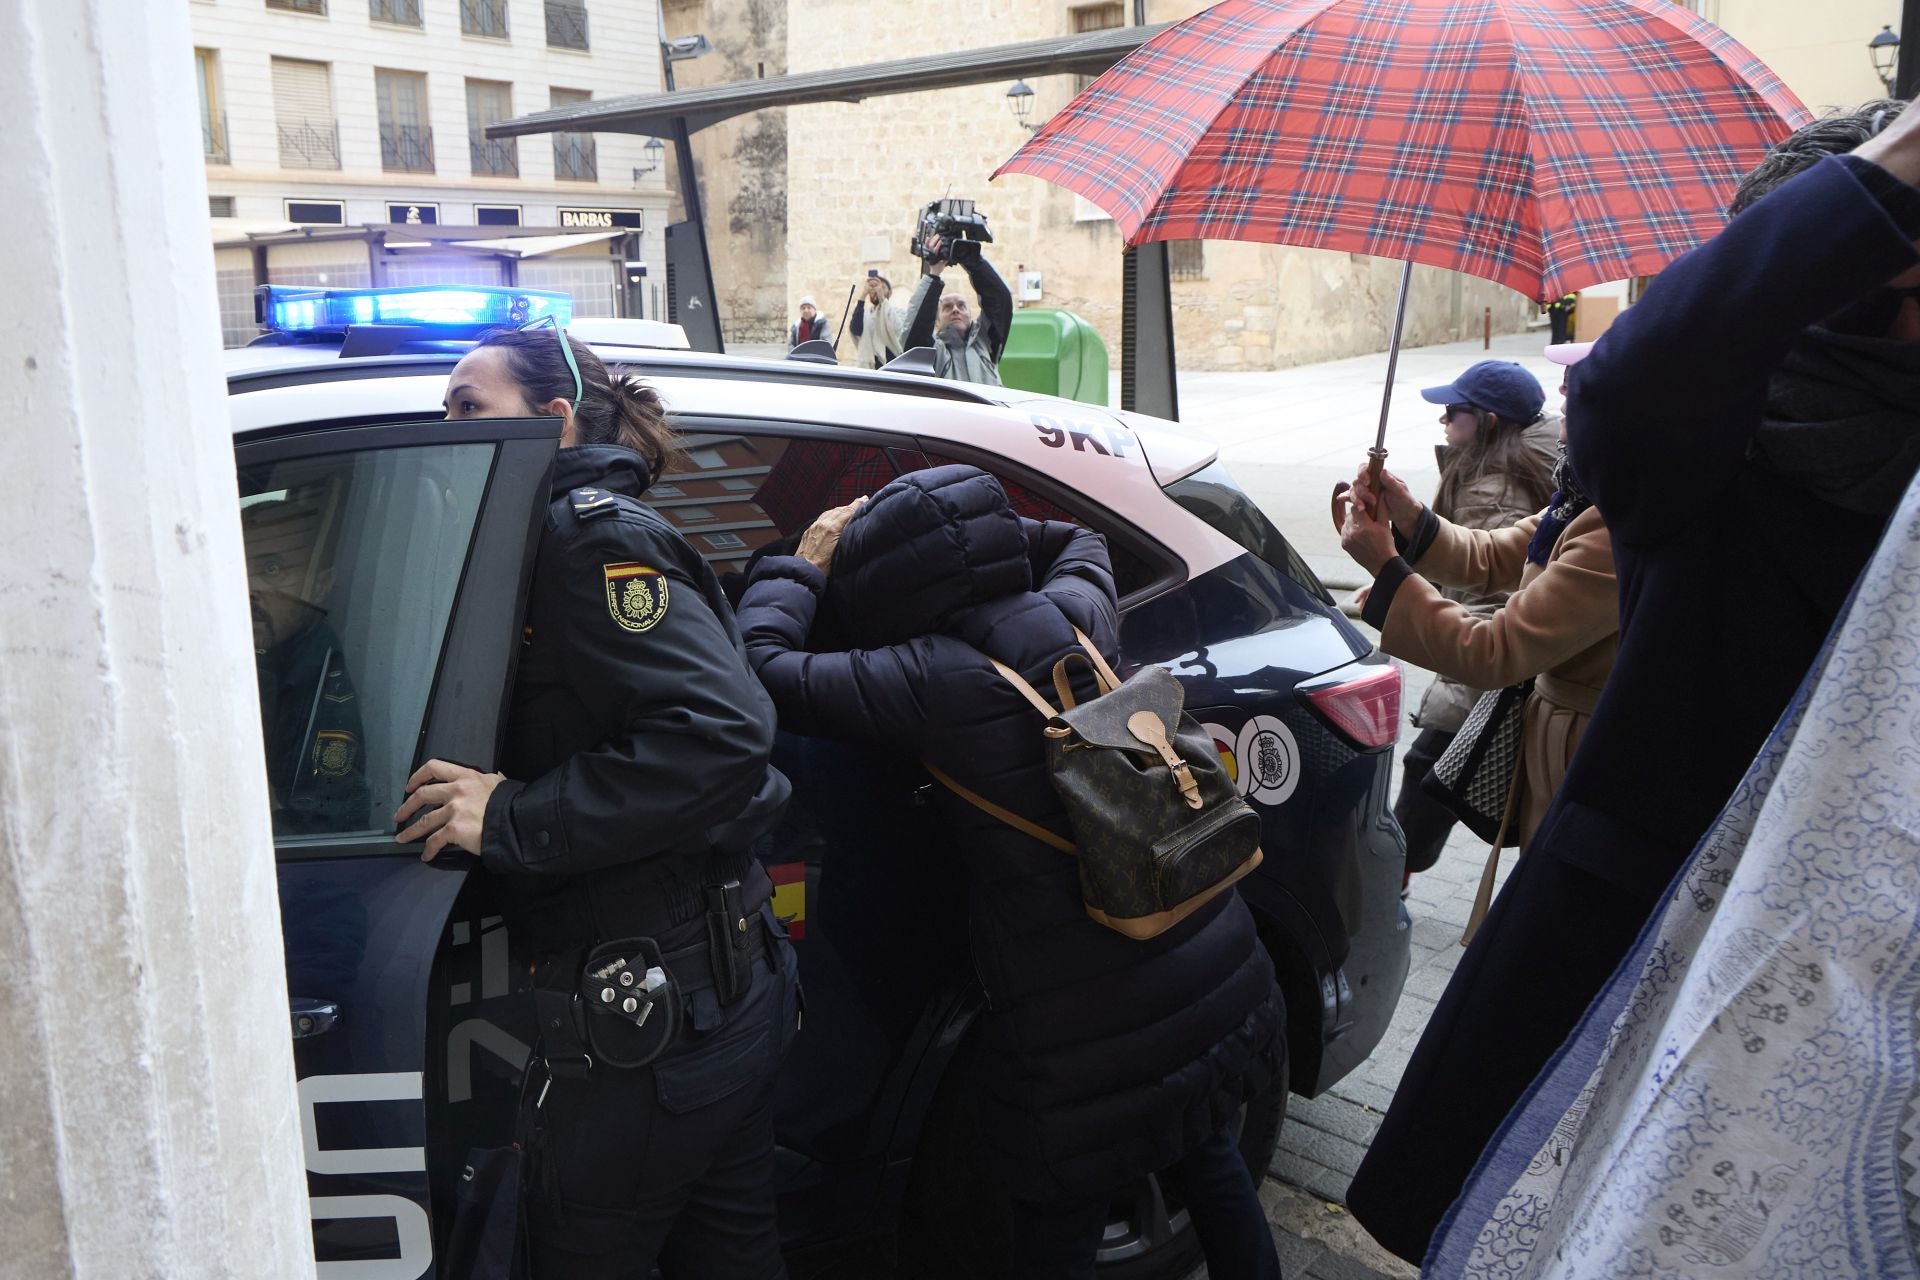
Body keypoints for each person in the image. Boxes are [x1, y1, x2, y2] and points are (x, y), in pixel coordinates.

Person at [1345, 100, 1920, 1266]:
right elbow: (1523, 554)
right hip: (1636, 886)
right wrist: (1405, 537)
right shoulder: (1717, 452)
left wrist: (1393, 577)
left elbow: (1502, 636)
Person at [736, 466, 1286, 1280]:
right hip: (1210, 968)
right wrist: (982, 536)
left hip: (1088, 1036)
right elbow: (1080, 537)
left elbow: (760, 665)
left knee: (1056, 1217)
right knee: (1206, 1157)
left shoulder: (936, 679)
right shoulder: (1078, 614)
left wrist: (807, 563)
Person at [394, 324, 799, 1278]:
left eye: (469, 406)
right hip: (705, 994)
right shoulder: (540, 535)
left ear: (555, 418)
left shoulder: (587, 537)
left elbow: (721, 732)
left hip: (656, 1025)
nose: (449, 426)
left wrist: (511, 818)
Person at [1339, 343, 1617, 890]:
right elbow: (1489, 555)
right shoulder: (1578, 498)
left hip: (1580, 760)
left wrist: (1388, 571)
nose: (1560, 393)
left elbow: (1496, 651)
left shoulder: (1614, 528)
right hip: (1551, 746)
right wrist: (1409, 515)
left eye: (1581, 381)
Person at [1387, 361, 1557, 879]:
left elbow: (1490, 599)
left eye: (1453, 412)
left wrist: (1399, 591)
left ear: (1486, 420)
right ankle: (1395, 879)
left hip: (1486, 673)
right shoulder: (1494, 469)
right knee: (1437, 776)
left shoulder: (1495, 492)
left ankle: (1391, 883)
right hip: (1499, 663)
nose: (1442, 420)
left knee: (1429, 772)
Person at [244, 491, 371, 835]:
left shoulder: (319, 685)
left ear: (319, 586)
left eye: (271, 568)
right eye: (238, 565)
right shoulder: (267, 654)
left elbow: (322, 829)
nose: (248, 586)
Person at [904, 234, 1013, 385]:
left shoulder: (986, 344)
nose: (955, 310)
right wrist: (934, 273)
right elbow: (916, 332)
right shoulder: (935, 352)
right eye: (947, 307)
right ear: (936, 322)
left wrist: (971, 260)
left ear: (970, 315)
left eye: (961, 306)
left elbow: (1000, 300)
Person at [848, 272, 905, 369]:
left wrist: (881, 297)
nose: (877, 291)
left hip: (891, 365)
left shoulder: (897, 312)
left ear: (890, 292)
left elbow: (896, 328)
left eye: (882, 288)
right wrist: (863, 295)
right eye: (873, 288)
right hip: (870, 368)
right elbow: (855, 330)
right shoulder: (865, 315)